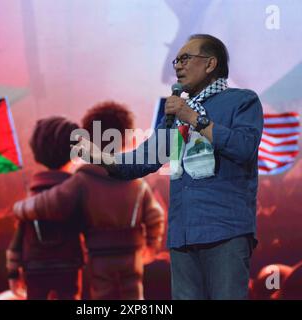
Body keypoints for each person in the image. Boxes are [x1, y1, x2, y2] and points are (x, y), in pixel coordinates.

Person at [70, 34, 264, 299]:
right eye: (176, 60)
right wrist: (103, 157)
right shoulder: (173, 115)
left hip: (225, 230)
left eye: (185, 59)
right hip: (182, 235)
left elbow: (244, 148)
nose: (178, 66)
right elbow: (148, 157)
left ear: (210, 64)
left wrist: (193, 118)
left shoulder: (242, 101)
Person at [14, 101, 165, 300]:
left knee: (103, 294)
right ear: (126, 138)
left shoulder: (82, 182)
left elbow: (48, 204)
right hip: (132, 253)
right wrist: (151, 246)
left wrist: (21, 208)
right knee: (133, 295)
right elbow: (155, 216)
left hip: (99, 254)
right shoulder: (136, 183)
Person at [6, 116, 85, 300]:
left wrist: (12, 272)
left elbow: (18, 237)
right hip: (69, 263)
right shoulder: (76, 193)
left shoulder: (32, 195)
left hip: (34, 265)